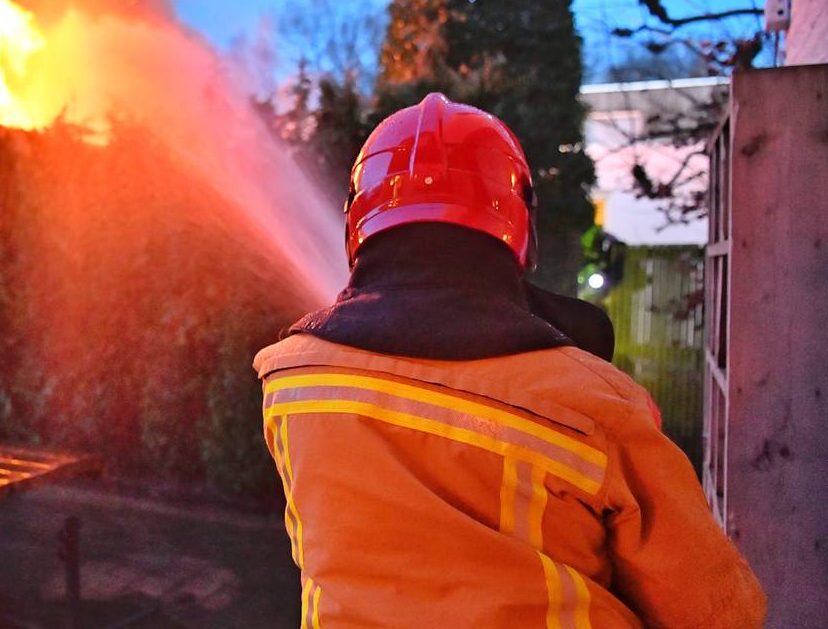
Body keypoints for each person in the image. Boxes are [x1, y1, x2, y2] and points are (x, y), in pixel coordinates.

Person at [254, 93, 765, 628]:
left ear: (359, 219)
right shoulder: (598, 407)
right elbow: (719, 612)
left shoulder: (289, 381)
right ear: (520, 222)